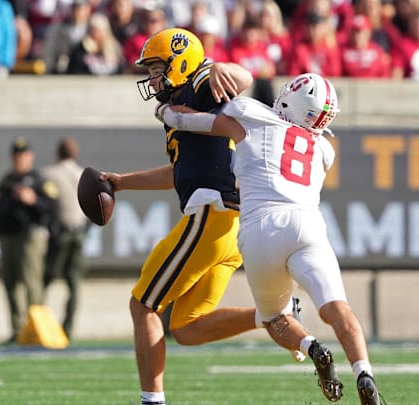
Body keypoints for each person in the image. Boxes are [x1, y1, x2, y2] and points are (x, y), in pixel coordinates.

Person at [156, 72, 386, 405]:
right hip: (308, 225)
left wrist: (163, 111)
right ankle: (364, 372)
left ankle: (311, 347)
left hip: (261, 228)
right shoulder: (324, 150)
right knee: (337, 308)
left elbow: (191, 122)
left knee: (275, 317)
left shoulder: (254, 115)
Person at [102, 28, 300, 405]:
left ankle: (152, 402)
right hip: (229, 226)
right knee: (186, 328)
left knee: (143, 304)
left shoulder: (199, 86)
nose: (152, 77)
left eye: (158, 68)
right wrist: (121, 183)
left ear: (181, 63)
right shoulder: (180, 104)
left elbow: (242, 79)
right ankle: (268, 315)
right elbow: (176, 171)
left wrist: (224, 68)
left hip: (212, 215)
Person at [0, 137, 58, 344]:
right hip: (9, 236)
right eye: (16, 155)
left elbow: (51, 208)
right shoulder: (6, 181)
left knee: (31, 282)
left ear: (30, 157)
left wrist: (33, 200)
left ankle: (35, 328)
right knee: (10, 283)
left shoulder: (40, 180)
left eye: (23, 155)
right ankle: (17, 330)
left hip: (30, 236)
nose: (19, 159)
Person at [41, 137, 88, 340]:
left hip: (59, 232)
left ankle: (41, 324)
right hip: (79, 231)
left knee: (46, 278)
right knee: (74, 282)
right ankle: (67, 327)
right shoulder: (82, 174)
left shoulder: (49, 174)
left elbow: (46, 203)